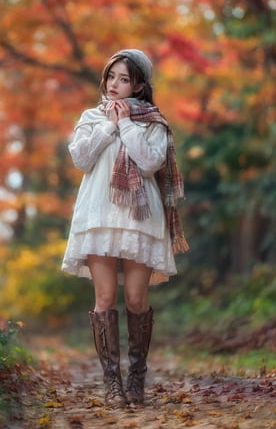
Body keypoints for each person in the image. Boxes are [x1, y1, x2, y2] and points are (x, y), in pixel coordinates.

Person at [62, 48, 188, 408]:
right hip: (98, 217)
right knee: (104, 299)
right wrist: (108, 124)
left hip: (139, 222)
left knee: (135, 299)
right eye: (111, 77)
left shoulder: (154, 123)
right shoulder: (90, 117)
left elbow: (149, 163)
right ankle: (111, 384)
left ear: (139, 85)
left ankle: (136, 377)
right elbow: (81, 158)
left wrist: (127, 124)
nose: (115, 85)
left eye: (124, 78)